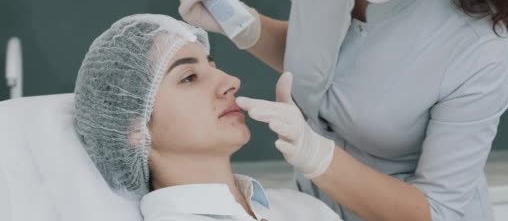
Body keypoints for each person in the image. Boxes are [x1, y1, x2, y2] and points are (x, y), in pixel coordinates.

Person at [159, 0, 508, 220]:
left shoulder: (475, 46)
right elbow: (319, 60)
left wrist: (318, 157)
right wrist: (242, 24)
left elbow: (438, 210)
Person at [73, 14, 341, 221]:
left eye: (214, 67)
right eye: (189, 77)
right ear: (134, 128)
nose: (231, 81)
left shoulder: (305, 209)